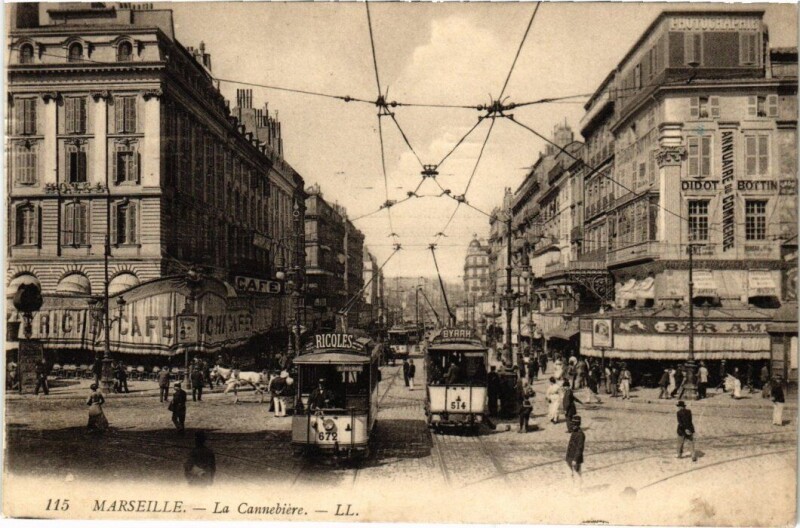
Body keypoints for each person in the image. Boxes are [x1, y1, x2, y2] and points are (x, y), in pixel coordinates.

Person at [565, 415, 585, 486]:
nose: (572, 426)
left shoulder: (580, 435)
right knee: (569, 473)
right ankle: (571, 487)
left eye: (574, 425)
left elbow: (580, 448)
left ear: (577, 425)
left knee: (577, 474)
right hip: (569, 457)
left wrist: (575, 459)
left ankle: (578, 490)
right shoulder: (574, 432)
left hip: (575, 458)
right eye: (572, 424)